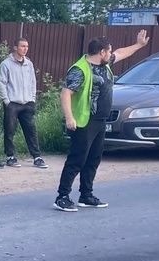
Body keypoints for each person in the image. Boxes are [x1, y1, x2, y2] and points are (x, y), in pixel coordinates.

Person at [55, 29, 150, 211]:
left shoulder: (104, 64)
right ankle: (62, 196)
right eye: (109, 51)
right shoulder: (80, 70)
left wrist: (139, 45)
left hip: (100, 120)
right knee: (77, 159)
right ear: (101, 52)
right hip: (84, 121)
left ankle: (86, 194)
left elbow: (121, 52)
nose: (111, 54)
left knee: (93, 159)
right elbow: (66, 93)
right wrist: (69, 118)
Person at [0, 38, 47, 168]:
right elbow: (2, 83)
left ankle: (37, 157)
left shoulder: (28, 64)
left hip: (27, 103)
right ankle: (10, 156)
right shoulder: (6, 64)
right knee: (10, 130)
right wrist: (6, 101)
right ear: (15, 47)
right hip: (12, 103)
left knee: (31, 130)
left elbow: (33, 82)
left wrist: (32, 99)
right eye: (22, 46)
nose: (25, 49)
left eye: (27, 46)